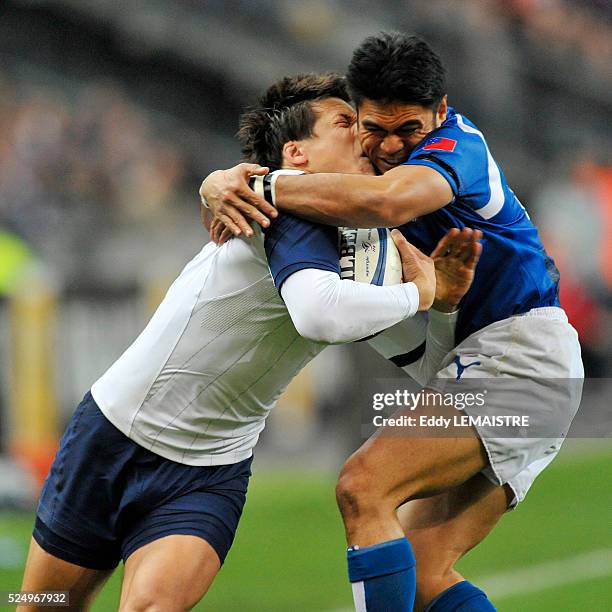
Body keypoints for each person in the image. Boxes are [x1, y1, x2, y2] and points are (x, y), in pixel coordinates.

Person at [19, 72, 480, 612]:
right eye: (344, 123)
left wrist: (442, 304)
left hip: (209, 471)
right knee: (41, 604)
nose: (363, 136)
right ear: (295, 154)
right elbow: (318, 314)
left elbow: (421, 358)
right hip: (112, 439)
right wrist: (420, 295)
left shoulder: (367, 241)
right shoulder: (282, 209)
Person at [200, 33, 584, 612]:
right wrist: (216, 182)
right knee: (425, 574)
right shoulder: (351, 180)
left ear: (441, 111)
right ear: (355, 117)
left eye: (410, 130)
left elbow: (389, 201)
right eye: (375, 130)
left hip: (520, 355)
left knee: (363, 485)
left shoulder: (458, 147)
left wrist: (264, 183)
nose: (392, 146)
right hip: (499, 361)